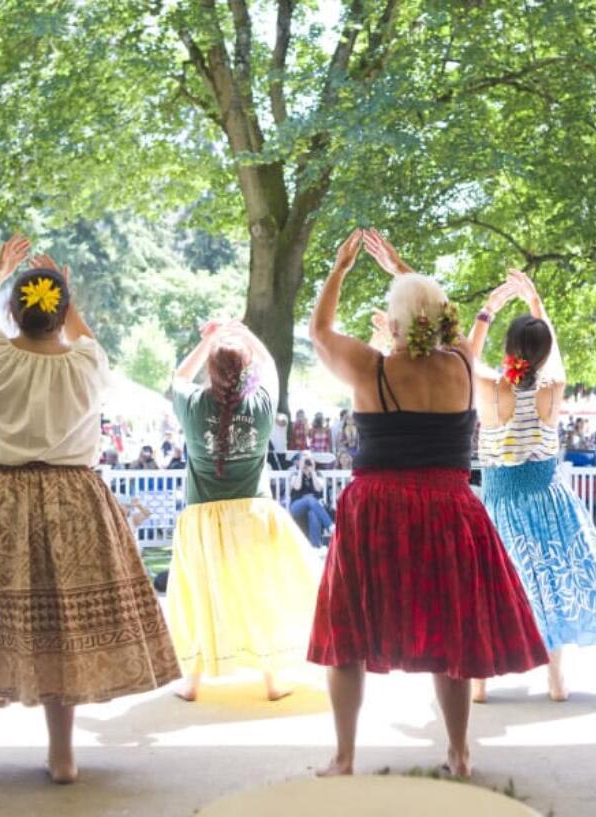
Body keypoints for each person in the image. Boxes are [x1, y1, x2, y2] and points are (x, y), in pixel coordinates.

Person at [0, 237, 179, 785]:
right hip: (68, 499)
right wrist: (69, 298)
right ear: (61, 313)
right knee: (60, 626)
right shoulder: (87, 362)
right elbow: (84, 337)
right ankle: (63, 757)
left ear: (12, 310)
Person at [307, 229, 547, 777]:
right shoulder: (463, 362)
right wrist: (403, 271)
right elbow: (437, 320)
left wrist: (341, 269)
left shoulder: (372, 368)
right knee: (453, 628)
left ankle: (344, 757)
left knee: (349, 632)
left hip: (380, 509)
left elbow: (320, 332)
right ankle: (459, 753)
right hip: (449, 508)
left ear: (392, 324)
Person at [468, 270, 596, 703]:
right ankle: (556, 679)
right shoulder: (553, 386)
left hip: (501, 501)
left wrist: (487, 311)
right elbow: (552, 352)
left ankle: (480, 682)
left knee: (491, 589)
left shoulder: (488, 387)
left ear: (508, 350)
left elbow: (465, 355)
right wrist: (536, 301)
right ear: (541, 354)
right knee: (551, 585)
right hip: (548, 498)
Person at [165, 320, 318, 701]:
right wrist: (243, 332)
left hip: (203, 518)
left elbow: (178, 376)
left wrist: (209, 341)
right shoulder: (263, 404)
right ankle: (271, 681)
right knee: (260, 593)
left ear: (211, 372)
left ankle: (193, 683)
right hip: (252, 514)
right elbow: (269, 365)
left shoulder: (193, 406)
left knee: (202, 596)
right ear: (246, 371)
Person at [289, 451, 333, 548]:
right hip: (296, 507)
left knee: (313, 513)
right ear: (299, 461)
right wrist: (300, 469)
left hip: (314, 508)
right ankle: (330, 526)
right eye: (304, 459)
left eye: (308, 459)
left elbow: (318, 488)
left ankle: (315, 546)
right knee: (309, 498)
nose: (306, 461)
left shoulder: (318, 474)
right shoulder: (295, 474)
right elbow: (297, 486)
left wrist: (312, 471)